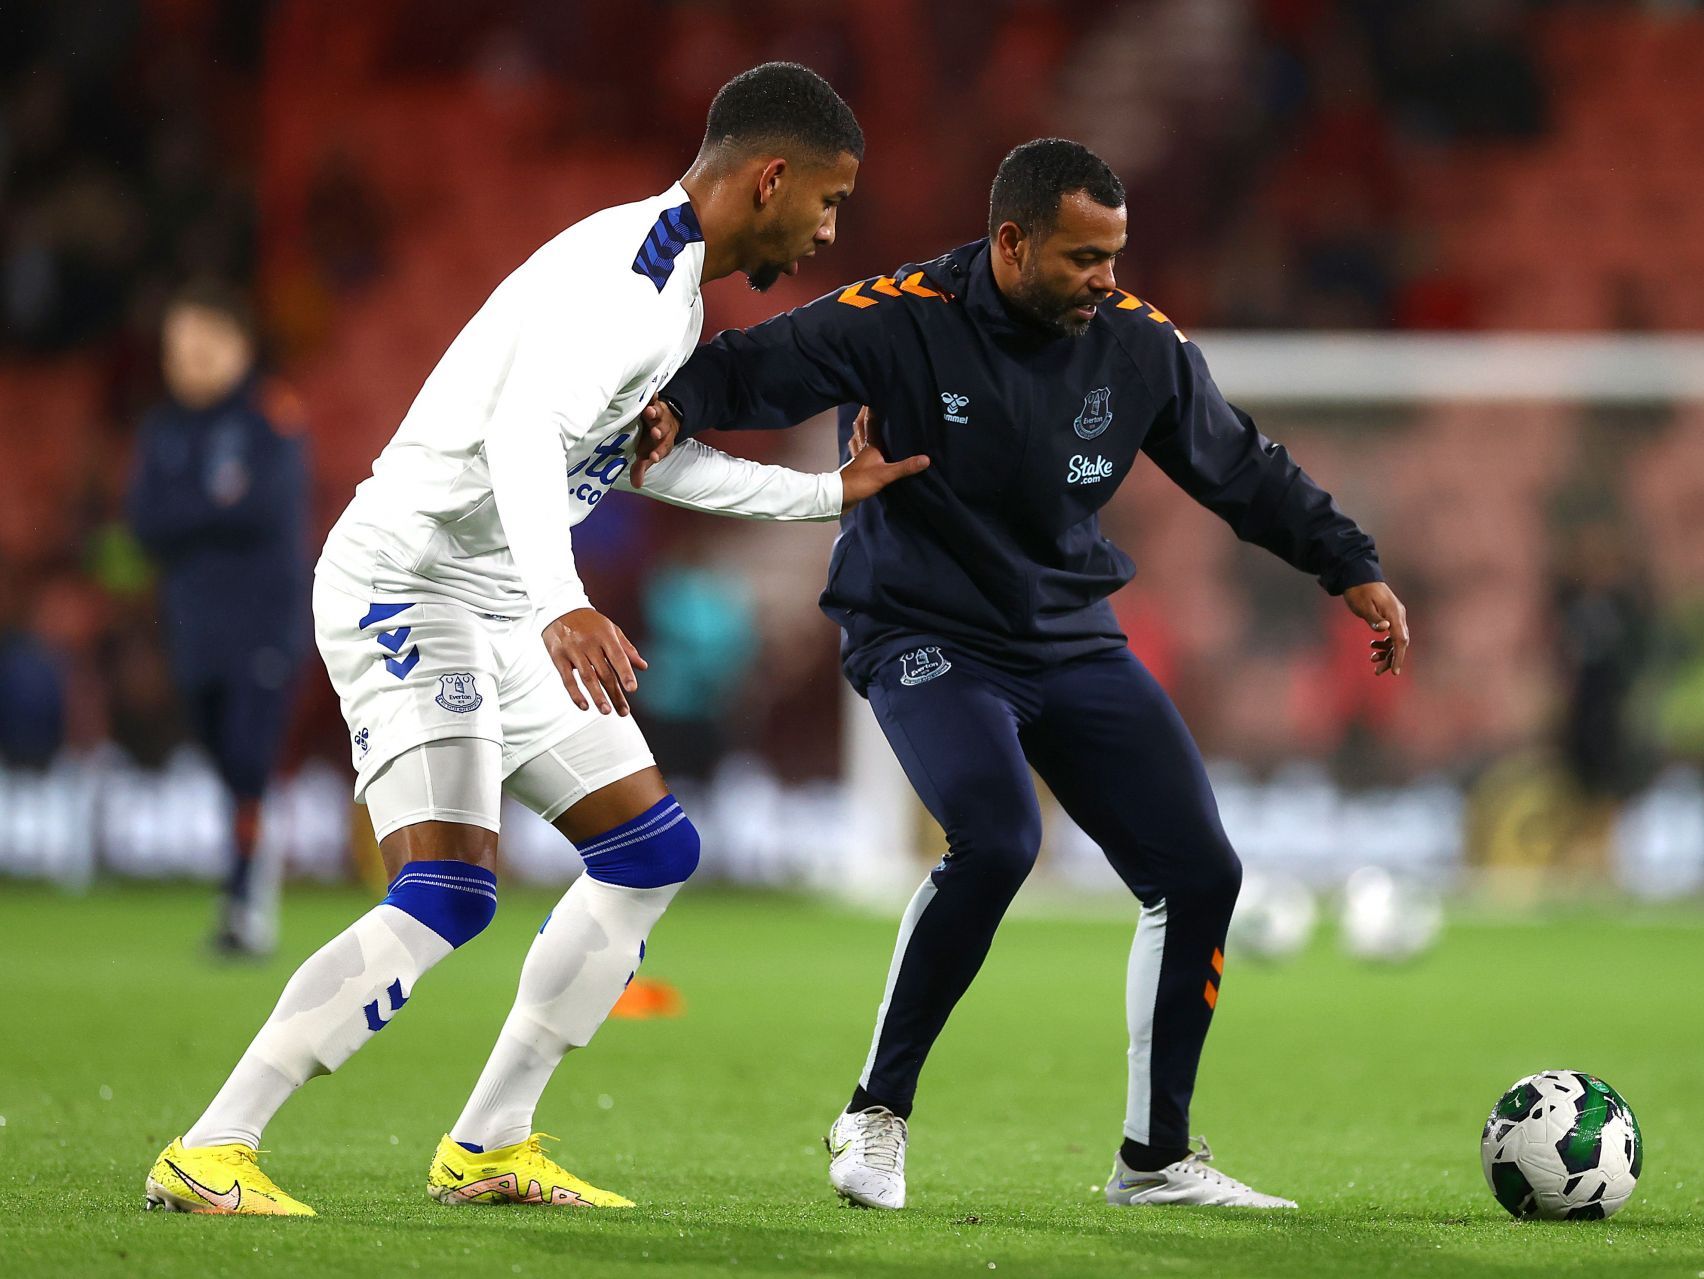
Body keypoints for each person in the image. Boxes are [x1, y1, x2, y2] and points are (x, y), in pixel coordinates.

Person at [145, 62, 926, 1217]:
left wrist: (823, 495)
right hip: (408, 583)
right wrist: (563, 600)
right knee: (449, 889)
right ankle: (213, 1146)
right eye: (826, 200)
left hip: (503, 588)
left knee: (650, 851)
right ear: (771, 177)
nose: (826, 227)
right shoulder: (625, 283)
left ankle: (490, 1144)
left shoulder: (673, 295)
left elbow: (632, 463)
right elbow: (522, 439)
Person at [651, 138, 1409, 1210]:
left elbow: (1240, 466)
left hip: (1065, 633)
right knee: (1001, 836)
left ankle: (1155, 1159)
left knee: (1202, 873)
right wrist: (678, 404)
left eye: (1117, 254)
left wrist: (1350, 565)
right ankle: (874, 1111)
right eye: (1084, 257)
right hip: (922, 630)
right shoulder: (904, 315)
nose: (1108, 279)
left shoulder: (1137, 347)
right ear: (1010, 242)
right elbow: (757, 362)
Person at [128, 281, 309, 956]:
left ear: (239, 345)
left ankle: (246, 904)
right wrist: (211, 509)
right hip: (194, 624)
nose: (189, 360)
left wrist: (192, 515)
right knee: (221, 758)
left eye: (203, 345)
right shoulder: (163, 427)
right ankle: (241, 885)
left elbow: (262, 509)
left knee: (248, 756)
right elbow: (145, 521)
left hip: (263, 621)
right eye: (179, 348)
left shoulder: (269, 415)